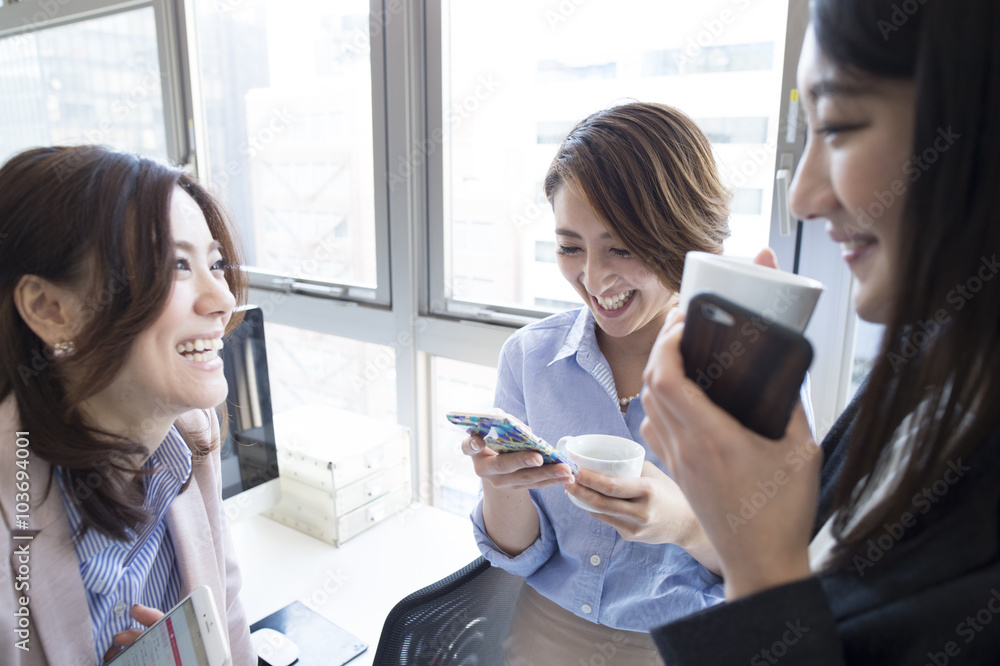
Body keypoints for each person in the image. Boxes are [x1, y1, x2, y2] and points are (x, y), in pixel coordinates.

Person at [640, 0, 1000, 663]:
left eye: (836, 125)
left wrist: (759, 571)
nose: (802, 199)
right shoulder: (937, 365)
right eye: (570, 247)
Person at [462, 102, 734, 665]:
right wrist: (500, 483)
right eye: (570, 247)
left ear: (682, 235)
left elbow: (778, 572)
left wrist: (684, 526)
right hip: (542, 635)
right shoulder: (529, 358)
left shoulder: (749, 371)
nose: (593, 277)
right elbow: (517, 555)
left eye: (622, 247)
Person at [0, 145, 256, 665]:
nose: (223, 299)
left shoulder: (188, 434)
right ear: (50, 310)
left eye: (215, 263)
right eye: (176, 266)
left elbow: (227, 629)